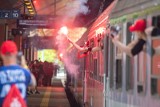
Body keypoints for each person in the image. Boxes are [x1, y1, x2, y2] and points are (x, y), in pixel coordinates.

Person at [0, 40, 36, 106]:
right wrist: (24, 65)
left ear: (1, 54)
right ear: (16, 53)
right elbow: (33, 84)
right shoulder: (24, 72)